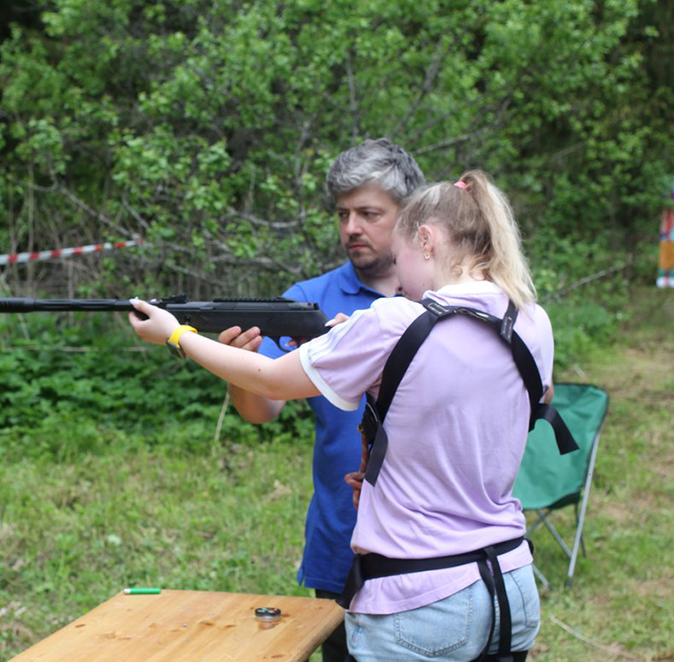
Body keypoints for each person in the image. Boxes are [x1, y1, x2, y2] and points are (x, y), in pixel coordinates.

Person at [130, 170, 548, 661]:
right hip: (510, 585)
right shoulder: (531, 319)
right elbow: (489, 415)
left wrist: (176, 335)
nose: (400, 279)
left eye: (401, 258)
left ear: (427, 241)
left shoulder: (393, 320)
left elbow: (271, 378)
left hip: (419, 599)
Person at [219, 138, 424, 662]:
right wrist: (239, 367)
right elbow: (260, 410)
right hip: (342, 540)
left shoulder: (446, 298)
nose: (352, 227)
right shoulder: (307, 300)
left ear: (410, 216)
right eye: (342, 214)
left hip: (433, 546)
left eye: (369, 213)